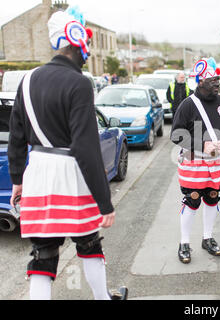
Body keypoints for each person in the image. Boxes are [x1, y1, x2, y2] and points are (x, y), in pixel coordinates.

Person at [7, 8, 127, 300]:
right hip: (70, 175)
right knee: (88, 244)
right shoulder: (80, 83)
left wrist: (17, 180)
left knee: (43, 256)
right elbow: (85, 147)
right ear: (76, 41)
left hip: (37, 173)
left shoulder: (28, 79)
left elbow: (17, 137)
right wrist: (105, 202)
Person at [171, 57, 220, 264]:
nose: (217, 83)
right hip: (193, 161)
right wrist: (201, 145)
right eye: (213, 80)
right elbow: (176, 134)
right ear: (200, 81)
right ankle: (184, 242)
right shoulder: (188, 105)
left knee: (213, 197)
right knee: (193, 198)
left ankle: (207, 238)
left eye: (218, 79)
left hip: (216, 161)